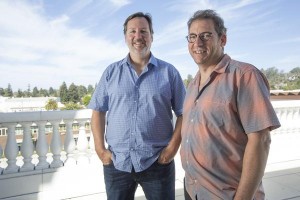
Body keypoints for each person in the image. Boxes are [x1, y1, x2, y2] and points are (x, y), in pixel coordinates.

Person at [180, 9, 281, 200]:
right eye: (192, 37)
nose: (197, 43)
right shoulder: (192, 84)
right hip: (193, 189)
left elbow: (261, 140)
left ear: (222, 40)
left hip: (226, 195)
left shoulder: (244, 76)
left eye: (206, 35)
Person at [88, 12, 186, 200]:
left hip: (158, 163)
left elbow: (184, 113)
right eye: (132, 31)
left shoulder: (169, 72)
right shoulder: (111, 72)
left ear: (151, 36)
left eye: (143, 31)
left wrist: (171, 150)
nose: (138, 36)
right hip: (117, 163)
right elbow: (98, 110)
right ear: (125, 37)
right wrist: (101, 150)